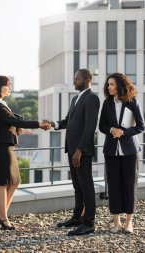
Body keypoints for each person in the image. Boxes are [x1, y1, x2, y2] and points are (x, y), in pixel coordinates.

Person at [0, 75, 50, 230]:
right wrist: (38, 123)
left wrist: (16, 130)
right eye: (7, 85)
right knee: (3, 182)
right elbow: (15, 121)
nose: (10, 88)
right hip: (3, 147)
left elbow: (10, 124)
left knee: (15, 182)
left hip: (8, 145)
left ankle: (1, 215)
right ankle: (3, 217)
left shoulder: (2, 104)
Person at [48, 69, 100, 236]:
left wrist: (79, 150)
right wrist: (53, 124)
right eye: (74, 78)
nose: (74, 81)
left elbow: (90, 127)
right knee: (77, 186)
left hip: (81, 151)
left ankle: (89, 223)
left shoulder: (92, 98)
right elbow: (67, 121)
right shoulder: (75, 98)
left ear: (87, 79)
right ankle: (77, 217)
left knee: (86, 186)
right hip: (71, 149)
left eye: (77, 79)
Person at [99, 72, 145, 234]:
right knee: (114, 186)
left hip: (130, 151)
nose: (109, 87)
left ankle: (129, 223)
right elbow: (102, 126)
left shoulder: (132, 102)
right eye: (108, 84)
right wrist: (112, 129)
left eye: (112, 84)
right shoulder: (107, 103)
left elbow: (141, 126)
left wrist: (123, 133)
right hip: (111, 151)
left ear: (120, 85)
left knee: (129, 186)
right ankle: (116, 223)